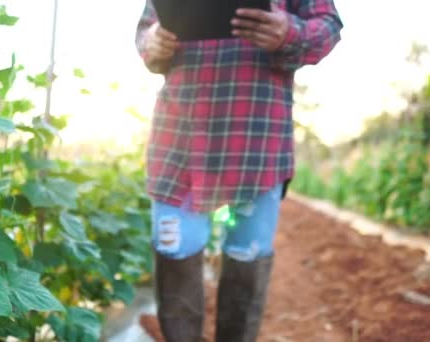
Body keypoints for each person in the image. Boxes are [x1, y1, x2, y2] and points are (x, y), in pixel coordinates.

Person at [135, 1, 342, 341]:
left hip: (256, 138)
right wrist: (152, 43)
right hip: (181, 139)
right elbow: (147, 31)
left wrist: (290, 32)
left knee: (248, 256)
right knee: (175, 252)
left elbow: (328, 26)